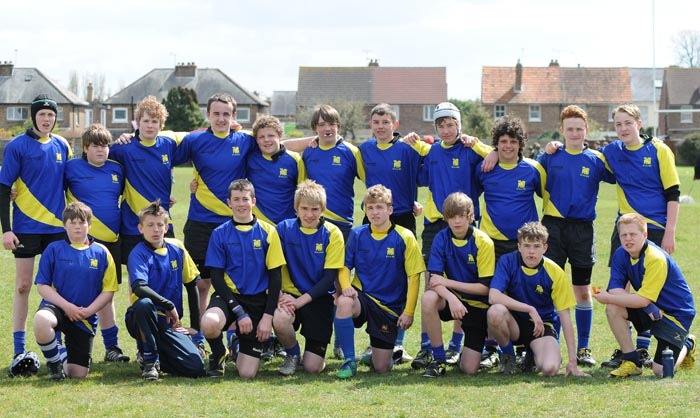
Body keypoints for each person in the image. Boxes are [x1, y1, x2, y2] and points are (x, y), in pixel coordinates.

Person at [546, 104, 680, 367]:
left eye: (628, 123)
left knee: (650, 291)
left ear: (639, 124)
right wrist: (555, 146)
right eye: (618, 124)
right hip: (625, 226)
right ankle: (627, 350)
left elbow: (673, 193)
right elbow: (581, 156)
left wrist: (670, 233)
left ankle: (647, 347)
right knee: (620, 288)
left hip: (654, 227)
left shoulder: (659, 149)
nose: (623, 128)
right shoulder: (611, 152)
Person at [411, 102, 495, 369]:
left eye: (450, 125)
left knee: (463, 281)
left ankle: (456, 346)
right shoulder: (432, 151)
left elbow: (495, 155)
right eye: (441, 126)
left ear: (459, 125)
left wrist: (477, 142)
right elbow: (419, 173)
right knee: (431, 284)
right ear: (435, 128)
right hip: (436, 224)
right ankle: (427, 346)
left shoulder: (470, 149)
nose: (446, 130)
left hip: (465, 223)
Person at [536, 105, 615, 367]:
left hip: (582, 230)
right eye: (569, 129)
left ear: (586, 130)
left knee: (582, 289)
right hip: (553, 228)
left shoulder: (596, 159)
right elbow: (528, 175)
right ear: (562, 130)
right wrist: (545, 149)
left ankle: (583, 348)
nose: (574, 133)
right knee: (552, 288)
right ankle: (553, 345)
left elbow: (621, 174)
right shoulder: (550, 156)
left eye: (579, 129)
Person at [2, 94, 73, 376]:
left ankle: (61, 346)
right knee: (22, 286)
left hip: (57, 229)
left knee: (59, 288)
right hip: (25, 227)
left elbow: (71, 182)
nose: (46, 119)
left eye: (51, 115)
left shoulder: (62, 145)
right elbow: (3, 187)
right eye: (42, 114)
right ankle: (18, 349)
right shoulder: (17, 145)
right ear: (33, 117)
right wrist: (6, 229)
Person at [334, 185, 425, 379]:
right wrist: (346, 286)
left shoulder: (405, 236)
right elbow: (344, 266)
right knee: (344, 302)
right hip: (363, 297)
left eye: (379, 207)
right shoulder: (358, 234)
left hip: (388, 306)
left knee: (382, 367)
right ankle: (349, 361)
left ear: (390, 210)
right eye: (370, 208)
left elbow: (414, 277)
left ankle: (374, 357)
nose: (375, 212)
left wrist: (409, 312)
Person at [200, 179, 286, 379]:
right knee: (210, 323)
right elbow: (216, 278)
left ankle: (238, 344)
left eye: (245, 199)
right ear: (229, 202)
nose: (241, 204)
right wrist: (239, 312)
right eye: (236, 199)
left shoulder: (268, 231)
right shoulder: (220, 233)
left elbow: (275, 278)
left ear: (253, 201)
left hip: (257, 302)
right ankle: (219, 353)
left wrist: (267, 317)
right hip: (229, 297)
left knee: (247, 373)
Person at [593, 213, 695, 377]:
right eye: (624, 235)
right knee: (613, 307)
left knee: (661, 371)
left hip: (676, 314)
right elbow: (616, 290)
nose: (628, 239)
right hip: (651, 306)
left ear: (645, 234)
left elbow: (637, 299)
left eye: (633, 234)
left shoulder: (655, 258)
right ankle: (631, 361)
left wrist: (609, 298)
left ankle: (687, 343)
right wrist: (645, 304)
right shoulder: (621, 253)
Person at [487, 222, 588, 377]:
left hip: (541, 326)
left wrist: (572, 362)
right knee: (495, 311)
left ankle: (532, 356)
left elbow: (565, 317)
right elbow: (493, 296)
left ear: (545, 248)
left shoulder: (555, 272)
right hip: (513, 323)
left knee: (550, 369)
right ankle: (509, 357)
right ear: (519, 246)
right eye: (526, 246)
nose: (531, 252)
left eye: (536, 246)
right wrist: (529, 309)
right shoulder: (507, 261)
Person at [64, 124, 129, 363]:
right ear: (85, 148)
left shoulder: (117, 169)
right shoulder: (71, 167)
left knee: (107, 295)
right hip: (83, 240)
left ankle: (112, 347)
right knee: (79, 294)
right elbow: (48, 188)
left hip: (112, 242)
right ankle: (78, 350)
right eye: (95, 146)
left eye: (105, 145)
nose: (101, 150)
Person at [33, 202, 117, 380]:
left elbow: (108, 291)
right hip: (57, 308)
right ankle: (55, 366)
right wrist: (67, 307)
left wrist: (88, 311)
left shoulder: (101, 252)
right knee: (41, 320)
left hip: (84, 316)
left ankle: (60, 353)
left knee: (77, 374)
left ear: (90, 225)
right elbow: (42, 285)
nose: (77, 226)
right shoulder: (53, 249)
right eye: (72, 222)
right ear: (64, 225)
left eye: (82, 222)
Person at [125, 200, 205, 380]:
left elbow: (192, 284)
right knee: (144, 304)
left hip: (170, 323)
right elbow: (139, 287)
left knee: (196, 368)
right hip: (142, 317)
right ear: (140, 228)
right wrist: (168, 304)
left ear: (166, 227)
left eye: (160, 225)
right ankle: (150, 361)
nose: (155, 229)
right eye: (150, 225)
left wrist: (195, 328)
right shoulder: (138, 253)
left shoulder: (177, 248)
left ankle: (155, 352)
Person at [273, 180, 344, 375]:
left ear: (323, 209)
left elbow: (329, 278)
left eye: (315, 209)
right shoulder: (283, 229)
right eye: (304, 208)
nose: (309, 214)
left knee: (313, 368)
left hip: (318, 298)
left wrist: (299, 302)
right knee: (279, 318)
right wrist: (280, 296)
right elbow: (273, 268)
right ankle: (292, 353)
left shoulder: (333, 233)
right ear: (296, 208)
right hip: (289, 296)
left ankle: (314, 355)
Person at [419, 192, 495, 377]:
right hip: (452, 300)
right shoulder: (441, 238)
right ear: (446, 218)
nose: (457, 221)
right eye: (452, 216)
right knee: (429, 298)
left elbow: (485, 288)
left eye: (461, 216)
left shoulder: (483, 242)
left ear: (470, 216)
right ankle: (438, 359)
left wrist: (448, 283)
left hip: (477, 305)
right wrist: (452, 298)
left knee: (469, 369)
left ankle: (486, 351)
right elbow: (434, 280)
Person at [475, 115, 544, 259]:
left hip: (524, 241)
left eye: (513, 141)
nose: (508, 146)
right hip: (490, 240)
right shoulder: (484, 168)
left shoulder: (534, 169)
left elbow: (547, 197)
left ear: (520, 144)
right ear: (496, 143)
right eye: (503, 141)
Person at [302, 104, 365, 240]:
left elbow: (370, 182)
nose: (327, 128)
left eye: (332, 124)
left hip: (342, 223)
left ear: (338, 126)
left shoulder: (352, 152)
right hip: (314, 221)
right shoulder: (308, 152)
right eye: (322, 125)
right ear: (315, 128)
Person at [247, 115, 306, 225]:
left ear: (280, 136)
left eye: (271, 135)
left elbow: (303, 192)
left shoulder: (294, 159)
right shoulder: (250, 159)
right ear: (256, 140)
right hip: (259, 224)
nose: (266, 140)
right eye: (261, 137)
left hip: (287, 224)